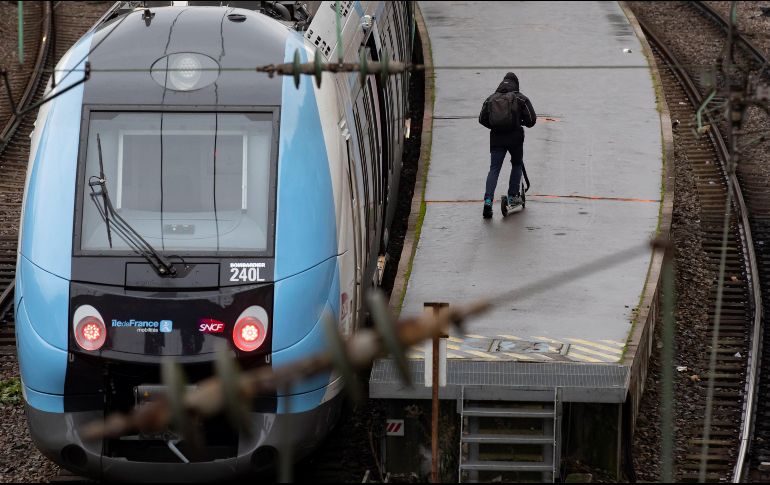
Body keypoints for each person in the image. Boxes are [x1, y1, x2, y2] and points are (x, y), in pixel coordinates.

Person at [478, 72, 536, 219]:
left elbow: (482, 119)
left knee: (494, 169)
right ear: (516, 84)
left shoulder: (491, 98)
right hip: (515, 138)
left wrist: (495, 125)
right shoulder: (520, 98)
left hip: (496, 139)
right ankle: (512, 197)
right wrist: (520, 122)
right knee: (516, 165)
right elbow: (532, 120)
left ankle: (488, 201)